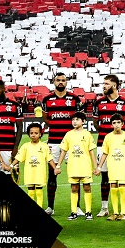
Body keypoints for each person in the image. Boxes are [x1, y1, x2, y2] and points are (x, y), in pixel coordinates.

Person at [93, 74, 125, 217]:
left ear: (114, 85)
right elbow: (96, 123)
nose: (104, 86)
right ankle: (104, 207)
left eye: (106, 84)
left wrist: (120, 138)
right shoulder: (99, 103)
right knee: (105, 176)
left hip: (121, 146)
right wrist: (108, 137)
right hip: (103, 144)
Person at [40, 73, 83, 215]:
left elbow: (80, 118)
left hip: (72, 143)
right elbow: (46, 118)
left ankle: (76, 207)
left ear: (67, 82)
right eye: (58, 80)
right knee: (52, 174)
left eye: (63, 80)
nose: (61, 82)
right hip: (53, 142)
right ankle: (50, 207)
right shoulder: (47, 99)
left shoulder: (74, 99)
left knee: (76, 174)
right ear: (54, 82)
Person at [96, 115, 125, 221]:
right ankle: (115, 213)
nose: (116, 125)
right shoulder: (108, 137)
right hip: (112, 165)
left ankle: (123, 213)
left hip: (123, 165)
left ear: (123, 124)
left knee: (122, 186)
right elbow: (104, 153)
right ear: (111, 124)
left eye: (118, 122)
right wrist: (99, 167)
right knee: (113, 186)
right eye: (114, 123)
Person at [56, 111, 96, 220]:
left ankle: (88, 212)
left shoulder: (87, 134)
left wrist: (96, 167)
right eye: (73, 119)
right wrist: (58, 165)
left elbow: (91, 151)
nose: (74, 122)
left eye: (77, 119)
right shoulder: (69, 134)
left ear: (83, 121)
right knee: (74, 188)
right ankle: (74, 212)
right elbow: (63, 151)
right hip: (73, 166)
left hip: (85, 166)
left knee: (87, 187)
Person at [12, 123, 56, 208]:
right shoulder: (25, 146)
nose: (33, 135)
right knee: (31, 192)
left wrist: (55, 168)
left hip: (39, 173)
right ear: (28, 134)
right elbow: (18, 158)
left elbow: (49, 158)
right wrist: (11, 165)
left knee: (39, 192)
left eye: (36, 133)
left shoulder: (44, 146)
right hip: (30, 173)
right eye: (31, 133)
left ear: (40, 134)